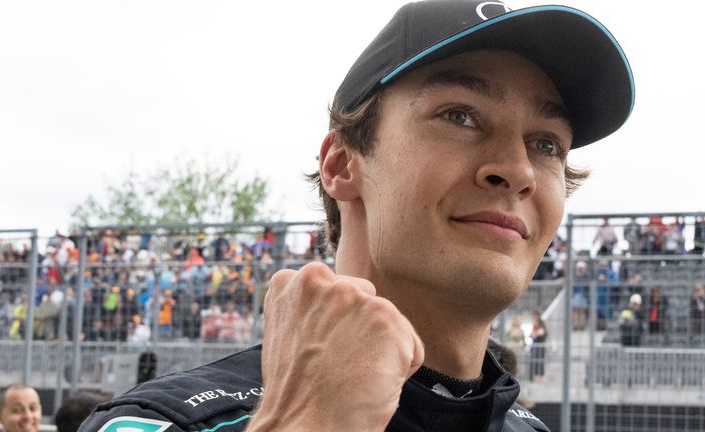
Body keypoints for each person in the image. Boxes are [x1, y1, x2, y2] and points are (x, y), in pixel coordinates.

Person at [79, 0, 634, 431]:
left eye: (548, 144)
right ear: (342, 163)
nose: (517, 170)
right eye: (461, 115)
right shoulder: (165, 423)